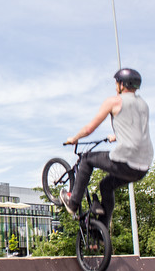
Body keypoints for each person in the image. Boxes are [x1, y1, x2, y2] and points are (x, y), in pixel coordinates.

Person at [60, 68, 153, 229]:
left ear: (122, 85)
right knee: (106, 185)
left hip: (125, 161)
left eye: (117, 82)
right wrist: (116, 136)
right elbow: (136, 129)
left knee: (87, 159)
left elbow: (89, 129)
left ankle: (73, 202)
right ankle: (101, 232)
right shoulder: (143, 105)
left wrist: (74, 138)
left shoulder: (114, 101)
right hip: (143, 167)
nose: (116, 86)